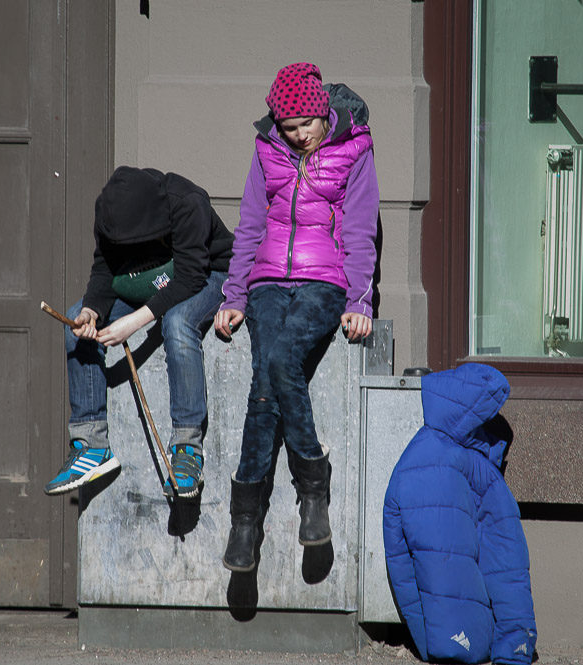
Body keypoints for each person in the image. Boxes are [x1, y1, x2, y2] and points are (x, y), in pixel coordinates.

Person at [213, 62, 379, 572]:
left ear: (323, 112)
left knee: (281, 361)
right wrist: (234, 294)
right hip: (266, 282)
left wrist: (359, 302)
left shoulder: (355, 149)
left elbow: (360, 229)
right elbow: (249, 224)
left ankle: (312, 487)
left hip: (324, 282)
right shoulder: (267, 150)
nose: (302, 134)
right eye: (291, 127)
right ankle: (246, 524)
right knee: (263, 390)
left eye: (308, 123)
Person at [45, 166, 233, 498]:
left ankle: (187, 449)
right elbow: (106, 270)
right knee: (75, 320)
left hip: (207, 276)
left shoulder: (187, 202)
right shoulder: (107, 212)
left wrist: (133, 323)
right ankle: (91, 446)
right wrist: (92, 311)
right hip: (145, 280)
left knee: (177, 323)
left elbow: (190, 277)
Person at [383, 364, 537, 665]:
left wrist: (425, 631)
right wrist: (515, 642)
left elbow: (400, 556)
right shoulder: (481, 471)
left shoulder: (412, 460)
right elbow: (505, 560)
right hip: (472, 639)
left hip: (444, 636)